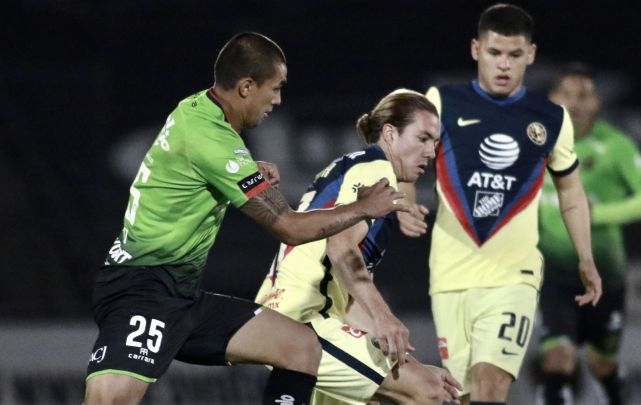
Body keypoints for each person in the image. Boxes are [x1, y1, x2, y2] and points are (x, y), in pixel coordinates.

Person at [83, 32, 410, 405]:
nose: (278, 100)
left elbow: (190, 169)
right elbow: (290, 227)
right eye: (275, 88)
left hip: (181, 296)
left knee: (300, 347)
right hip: (142, 292)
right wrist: (363, 207)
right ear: (246, 86)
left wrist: (244, 171)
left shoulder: (197, 110)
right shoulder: (213, 138)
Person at [398, 4, 603, 404]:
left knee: (491, 385)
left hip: (513, 277)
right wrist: (405, 201)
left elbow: (571, 191)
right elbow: (406, 157)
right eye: (494, 53)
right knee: (458, 395)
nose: (503, 65)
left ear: (531, 54)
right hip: (450, 274)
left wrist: (586, 257)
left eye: (513, 54)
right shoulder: (442, 101)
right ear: (476, 50)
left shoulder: (550, 117)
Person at [255, 89, 462, 405]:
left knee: (389, 392)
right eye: (422, 138)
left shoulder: (350, 171)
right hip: (301, 322)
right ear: (390, 134)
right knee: (430, 392)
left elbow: (348, 298)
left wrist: (404, 356)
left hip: (293, 317)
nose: (430, 153)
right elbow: (341, 247)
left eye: (434, 143)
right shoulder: (376, 171)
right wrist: (384, 317)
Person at [536, 63, 641, 405]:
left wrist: (598, 214)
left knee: (601, 362)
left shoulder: (616, 145)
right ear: (552, 100)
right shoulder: (534, 144)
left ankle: (615, 394)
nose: (576, 103)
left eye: (585, 95)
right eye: (568, 95)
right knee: (558, 357)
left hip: (604, 274)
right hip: (554, 274)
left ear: (597, 102)